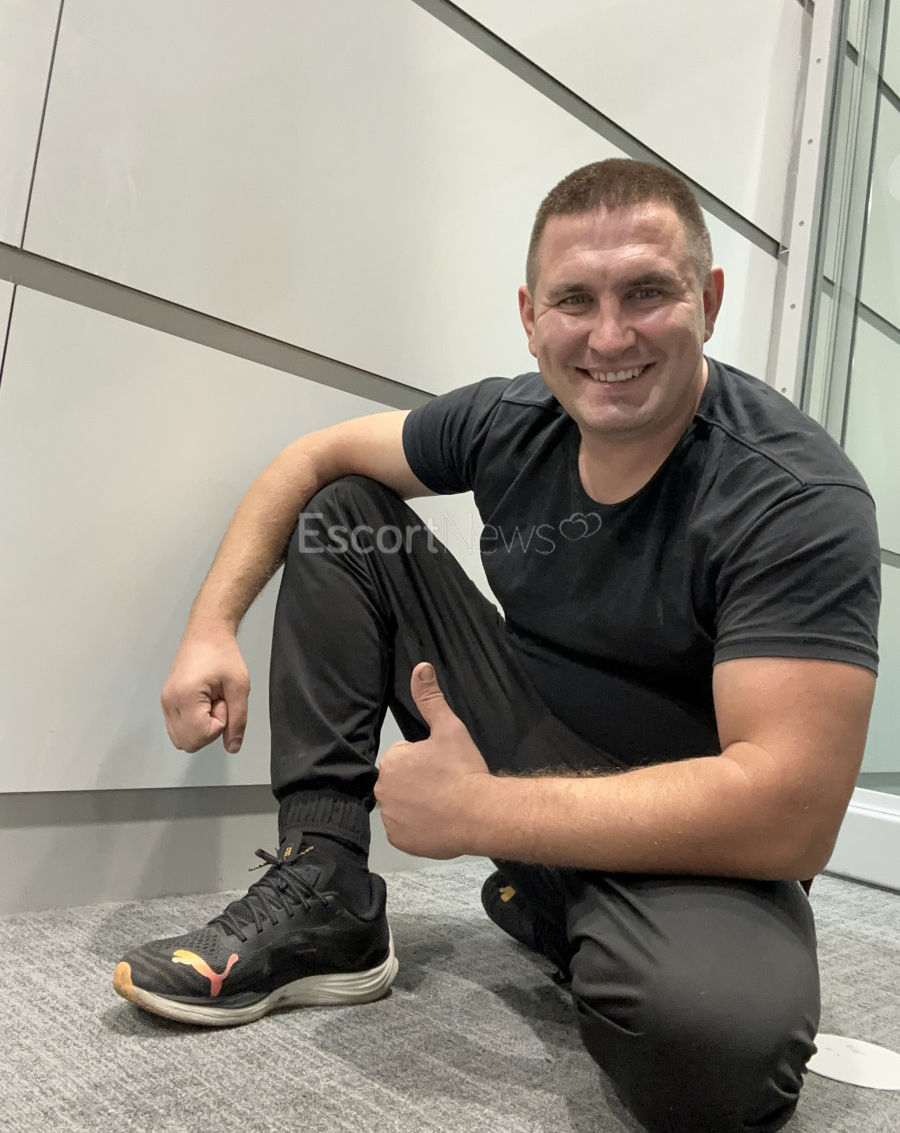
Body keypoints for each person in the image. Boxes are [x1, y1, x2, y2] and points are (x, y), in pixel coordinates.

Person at [113, 160, 880, 1132]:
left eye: (648, 292)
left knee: (720, 1059)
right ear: (530, 315)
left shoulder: (794, 496)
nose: (610, 336)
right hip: (530, 729)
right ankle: (326, 886)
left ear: (710, 301)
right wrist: (210, 627)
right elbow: (311, 458)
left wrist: (483, 812)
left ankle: (563, 898)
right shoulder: (510, 421)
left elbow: (788, 816)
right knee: (347, 512)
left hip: (696, 835)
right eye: (575, 299)